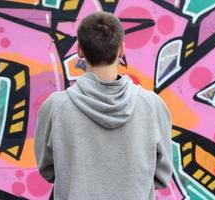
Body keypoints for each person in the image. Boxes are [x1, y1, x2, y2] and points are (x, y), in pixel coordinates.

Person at [34, 11, 173, 200]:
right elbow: (162, 176)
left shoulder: (56, 107)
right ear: (121, 50)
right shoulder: (152, 106)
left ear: (80, 50)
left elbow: (47, 170)